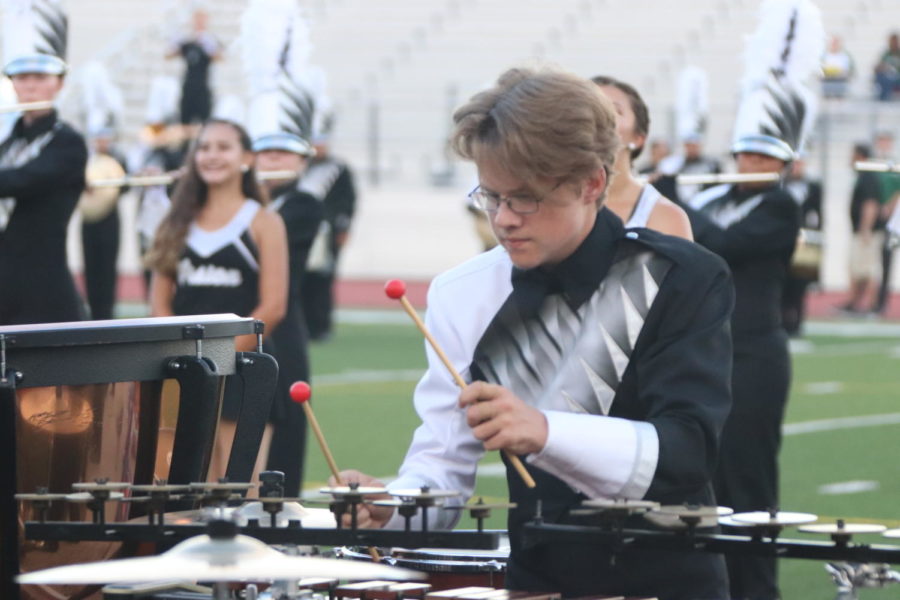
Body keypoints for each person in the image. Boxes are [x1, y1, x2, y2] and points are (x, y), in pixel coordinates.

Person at [332, 67, 734, 600]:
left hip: (668, 581)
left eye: (525, 198)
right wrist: (393, 506)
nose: (503, 220)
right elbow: (443, 469)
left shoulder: (680, 277)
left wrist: (545, 431)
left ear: (592, 182)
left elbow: (687, 453)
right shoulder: (464, 294)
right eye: (490, 197)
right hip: (538, 584)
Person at [683, 133, 800, 599]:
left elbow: (723, 245)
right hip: (707, 349)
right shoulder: (711, 198)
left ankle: (757, 591)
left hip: (755, 352)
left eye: (763, 157)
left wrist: (668, 198)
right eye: (745, 154)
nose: (750, 162)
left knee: (748, 478)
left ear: (780, 166)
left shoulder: (781, 206)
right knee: (706, 478)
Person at [146, 119, 288, 482]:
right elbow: (159, 303)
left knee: (239, 489)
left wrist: (218, 361)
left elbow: (272, 307)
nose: (212, 155)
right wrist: (184, 363)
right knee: (183, 487)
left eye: (223, 147)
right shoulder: (176, 220)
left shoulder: (263, 221)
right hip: (182, 372)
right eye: (204, 148)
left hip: (243, 371)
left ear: (246, 158)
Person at [254, 132, 323, 496]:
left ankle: (279, 515)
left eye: (284, 154)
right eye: (265, 153)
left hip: (281, 330)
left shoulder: (303, 205)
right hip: (240, 323)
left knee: (285, 426)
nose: (274, 160)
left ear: (301, 163)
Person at [0, 54, 88, 325]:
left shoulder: (67, 142)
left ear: (58, 85)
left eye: (40, 79)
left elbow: (24, 179)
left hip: (42, 285)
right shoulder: (7, 145)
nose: (30, 87)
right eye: (22, 79)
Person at [591, 76, 692, 239]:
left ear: (638, 138)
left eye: (614, 110)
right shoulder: (551, 204)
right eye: (589, 108)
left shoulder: (666, 216)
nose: (598, 117)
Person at [299, 118, 357, 341]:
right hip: (303, 231)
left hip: (327, 233)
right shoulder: (301, 167)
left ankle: (321, 326)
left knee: (323, 280)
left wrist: (343, 227)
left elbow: (348, 201)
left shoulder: (338, 169)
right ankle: (303, 324)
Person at [79, 129, 128, 320]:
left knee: (108, 268)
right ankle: (93, 310)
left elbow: (124, 186)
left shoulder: (117, 159)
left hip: (110, 219)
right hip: (89, 220)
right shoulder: (87, 160)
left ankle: (107, 313)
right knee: (90, 267)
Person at [840, 143, 883, 314]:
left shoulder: (868, 177)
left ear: (860, 157)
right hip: (864, 230)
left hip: (866, 232)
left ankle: (870, 305)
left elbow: (870, 204)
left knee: (868, 269)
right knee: (859, 268)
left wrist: (866, 229)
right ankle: (855, 303)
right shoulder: (864, 176)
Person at [781, 156, 823, 335]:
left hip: (806, 238)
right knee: (783, 282)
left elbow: (818, 215)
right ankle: (782, 321)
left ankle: (798, 323)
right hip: (783, 239)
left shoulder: (813, 187)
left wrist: (817, 239)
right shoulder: (780, 186)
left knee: (801, 283)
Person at [166, 9, 222, 126]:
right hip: (188, 85)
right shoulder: (188, 41)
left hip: (203, 86)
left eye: (201, 19)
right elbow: (169, 55)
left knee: (205, 122)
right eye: (197, 19)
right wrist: (175, 42)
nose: (199, 22)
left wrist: (208, 46)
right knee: (184, 121)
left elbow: (219, 58)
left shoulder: (210, 40)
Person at [872, 131, 900, 315]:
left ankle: (881, 301)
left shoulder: (894, 166)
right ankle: (874, 301)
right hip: (876, 222)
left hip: (892, 223)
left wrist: (890, 204)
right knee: (874, 262)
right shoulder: (873, 165)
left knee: (887, 259)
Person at [821, 34, 854, 99]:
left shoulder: (845, 56)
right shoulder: (824, 56)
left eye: (836, 43)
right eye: (833, 42)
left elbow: (849, 70)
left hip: (840, 81)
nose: (834, 45)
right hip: (827, 81)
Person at [873, 32, 900, 101]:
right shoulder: (886, 54)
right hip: (888, 77)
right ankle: (884, 98)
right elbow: (879, 65)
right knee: (882, 77)